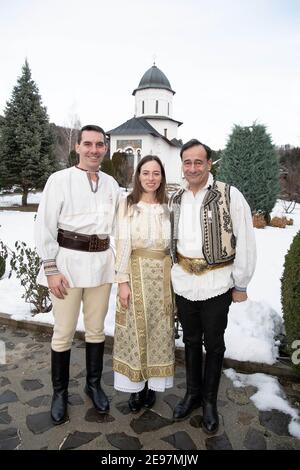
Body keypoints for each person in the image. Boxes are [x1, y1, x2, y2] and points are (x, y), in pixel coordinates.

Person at [169, 139, 256, 434]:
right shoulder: (177, 198)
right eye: (187, 162)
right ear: (182, 165)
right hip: (183, 282)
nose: (192, 168)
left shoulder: (229, 195)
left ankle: (209, 402)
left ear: (209, 164)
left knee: (214, 344)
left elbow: (245, 239)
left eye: (198, 162)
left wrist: (241, 283)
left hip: (217, 284)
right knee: (191, 341)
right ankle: (192, 394)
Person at [35, 124, 119, 425]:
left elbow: (118, 228)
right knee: (64, 331)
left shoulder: (112, 185)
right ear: (78, 147)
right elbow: (44, 224)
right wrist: (51, 270)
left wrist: (119, 267)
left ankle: (93, 384)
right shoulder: (59, 180)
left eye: (99, 144)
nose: (94, 149)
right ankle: (59, 392)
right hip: (67, 264)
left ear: (105, 148)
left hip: (102, 265)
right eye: (88, 144)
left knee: (96, 329)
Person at [113, 155, 175, 413]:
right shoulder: (128, 203)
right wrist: (122, 281)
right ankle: (135, 387)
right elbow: (122, 243)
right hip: (135, 272)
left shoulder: (169, 206)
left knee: (159, 330)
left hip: (163, 275)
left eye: (156, 173)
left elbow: (174, 244)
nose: (151, 178)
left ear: (162, 177)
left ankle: (152, 386)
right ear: (138, 175)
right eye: (146, 173)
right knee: (134, 331)